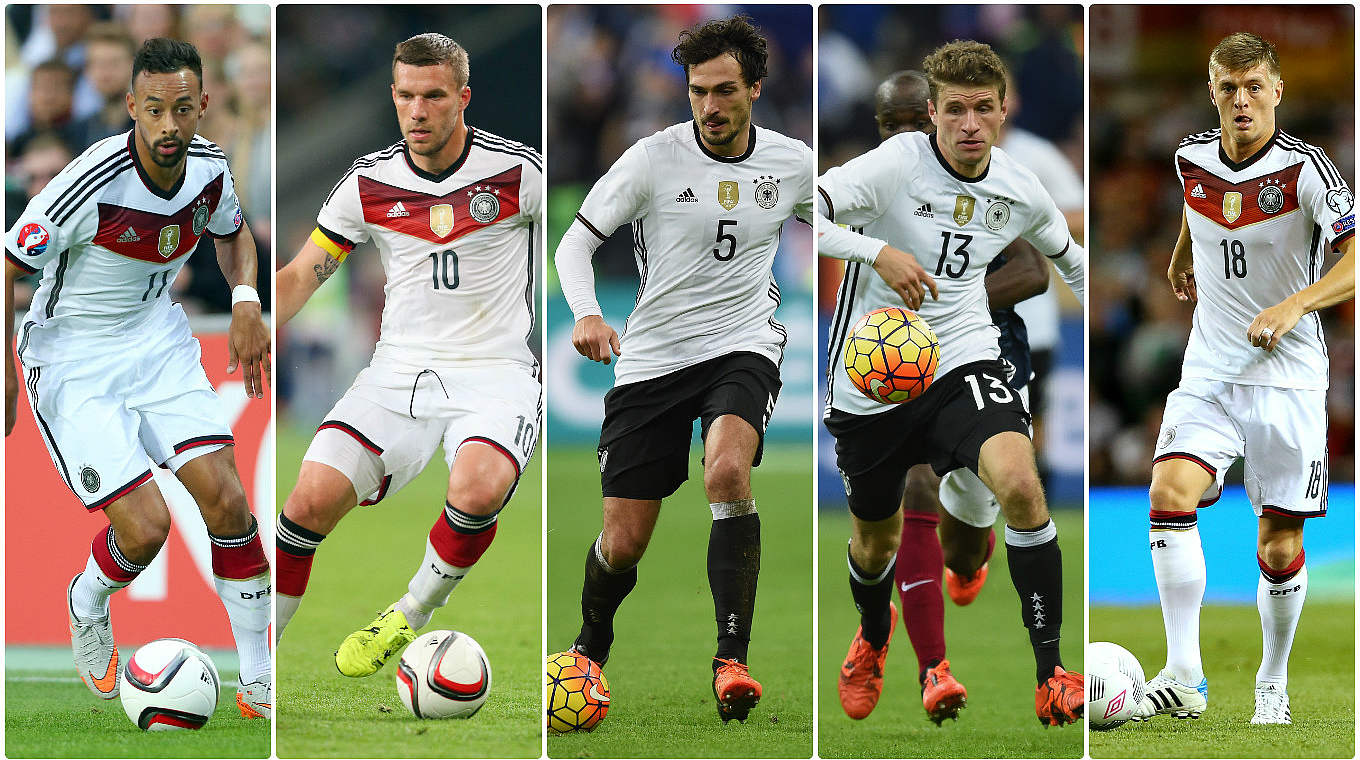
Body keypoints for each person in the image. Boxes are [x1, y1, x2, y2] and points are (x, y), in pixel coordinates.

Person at [817, 40, 1085, 726]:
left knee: (1022, 486)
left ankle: (1052, 671)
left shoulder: (1021, 185)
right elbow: (804, 210)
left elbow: (1064, 260)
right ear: (933, 114)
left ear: (1002, 114)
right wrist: (877, 251)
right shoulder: (896, 162)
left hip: (964, 356)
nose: (970, 123)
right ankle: (875, 635)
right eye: (956, 109)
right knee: (874, 540)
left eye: (983, 109)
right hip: (872, 371)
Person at [553, 15, 812, 723]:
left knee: (728, 472)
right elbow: (573, 244)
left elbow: (845, 227)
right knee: (623, 542)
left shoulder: (791, 163)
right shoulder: (651, 160)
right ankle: (590, 643)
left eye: (725, 90)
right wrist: (585, 311)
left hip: (742, 343)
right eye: (698, 91)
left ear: (755, 88)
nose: (710, 107)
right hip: (653, 358)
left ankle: (732, 660)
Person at [4, 38, 272, 718]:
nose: (168, 126)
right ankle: (88, 600)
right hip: (71, 357)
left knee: (229, 503)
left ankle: (259, 678)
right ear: (130, 107)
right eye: (154, 110)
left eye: (183, 109)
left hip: (156, 339)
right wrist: (4, 374)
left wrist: (246, 301)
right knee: (146, 529)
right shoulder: (87, 182)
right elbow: (7, 264)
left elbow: (233, 231)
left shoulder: (210, 168)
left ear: (203, 106)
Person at [272, 33, 543, 679]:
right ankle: (257, 668)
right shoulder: (367, 184)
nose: (417, 110)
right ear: (393, 97)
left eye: (433, 96)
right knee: (306, 503)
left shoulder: (518, 172)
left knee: (477, 489)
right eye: (406, 96)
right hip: (398, 371)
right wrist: (246, 327)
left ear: (462, 98)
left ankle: (411, 612)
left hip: (495, 371)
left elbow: (582, 234)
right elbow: (304, 273)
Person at [1142, 32, 1354, 726]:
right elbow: (1198, 201)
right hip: (1211, 364)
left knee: (1278, 542)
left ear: (1277, 92)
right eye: (1228, 87)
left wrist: (1296, 304)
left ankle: (1272, 679)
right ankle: (1184, 673)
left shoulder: (1309, 171)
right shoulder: (1189, 155)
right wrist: (1182, 257)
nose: (1241, 100)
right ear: (1212, 92)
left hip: (1288, 378)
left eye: (1254, 86)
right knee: (1170, 490)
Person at [867, 69, 1052, 724]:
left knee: (965, 545)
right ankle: (932, 671)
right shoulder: (874, 188)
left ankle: (972, 556)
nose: (904, 139)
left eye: (913, 124)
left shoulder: (981, 183)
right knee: (914, 489)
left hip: (988, 359)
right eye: (891, 128)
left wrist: (948, 300)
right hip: (908, 369)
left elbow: (1033, 271)